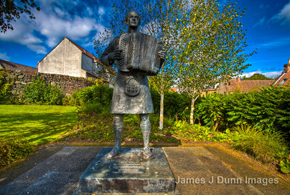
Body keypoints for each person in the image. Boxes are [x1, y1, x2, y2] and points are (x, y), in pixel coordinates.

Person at [100, 10, 165, 159]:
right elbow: (103, 57)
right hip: (122, 80)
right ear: (126, 20)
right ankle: (117, 146)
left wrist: (160, 59)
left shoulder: (148, 41)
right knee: (117, 114)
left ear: (139, 21)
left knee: (144, 115)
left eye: (136, 17)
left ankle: (146, 148)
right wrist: (111, 56)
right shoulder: (117, 40)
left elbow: (155, 65)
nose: (134, 19)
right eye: (131, 17)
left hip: (141, 80)